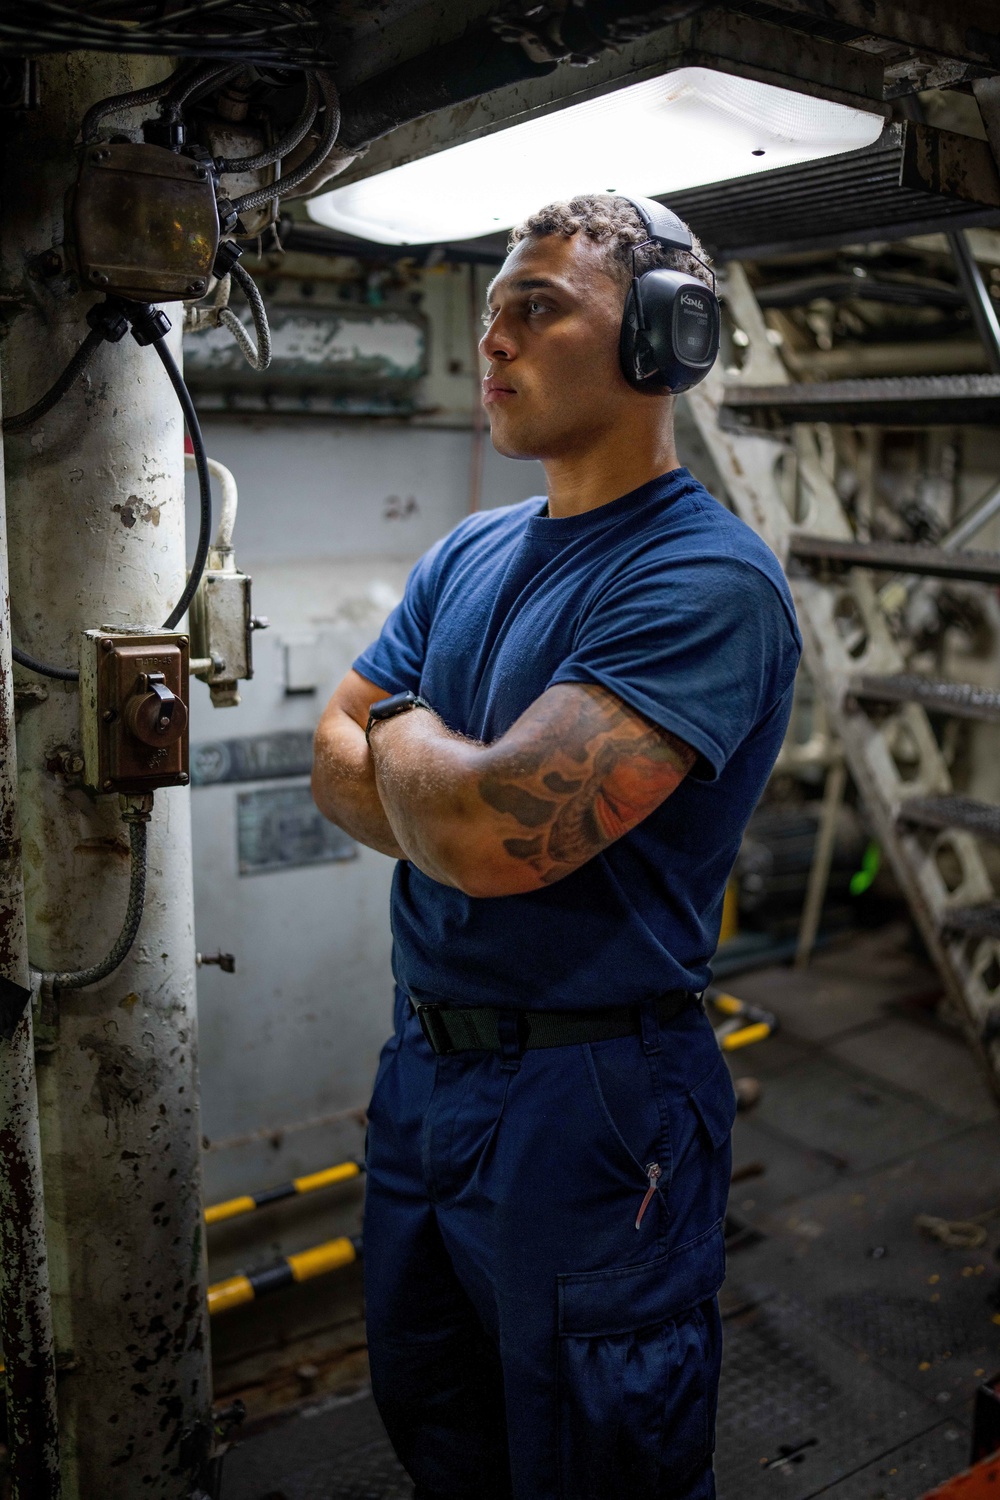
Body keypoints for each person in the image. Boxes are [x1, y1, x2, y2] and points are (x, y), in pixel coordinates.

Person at [311, 194, 801, 1500]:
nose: (494, 344)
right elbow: (331, 760)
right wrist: (442, 779)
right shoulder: (472, 549)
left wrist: (407, 742)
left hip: (591, 1106)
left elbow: (485, 835)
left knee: (599, 1460)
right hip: (426, 1072)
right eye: (489, 314)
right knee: (440, 1424)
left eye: (537, 307)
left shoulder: (702, 583)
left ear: (664, 337)